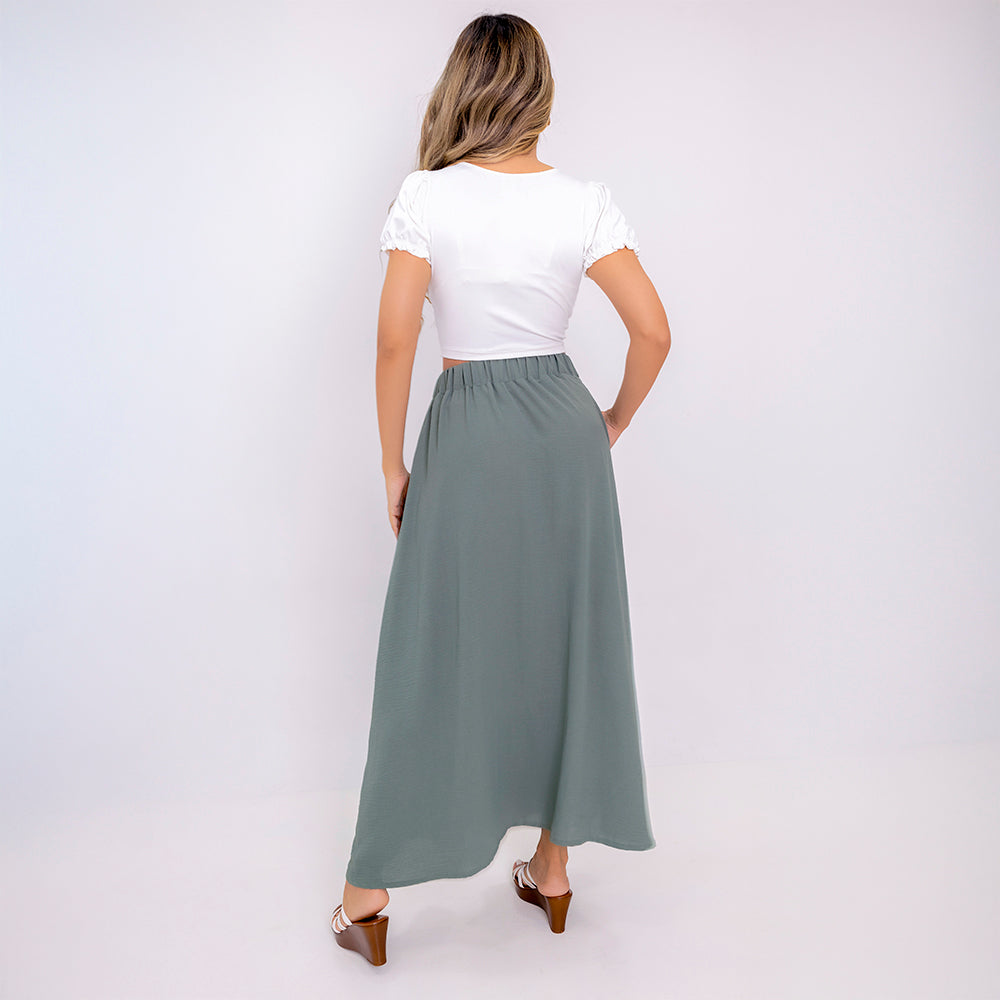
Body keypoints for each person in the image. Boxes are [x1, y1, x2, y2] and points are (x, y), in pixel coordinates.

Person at [331, 12, 671, 965]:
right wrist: (610, 421)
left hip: (469, 428)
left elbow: (396, 340)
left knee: (431, 653)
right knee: (569, 642)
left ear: (463, 87)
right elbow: (654, 331)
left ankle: (367, 897)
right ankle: (552, 869)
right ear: (540, 94)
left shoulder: (427, 196)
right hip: (564, 428)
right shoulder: (584, 201)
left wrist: (393, 463)